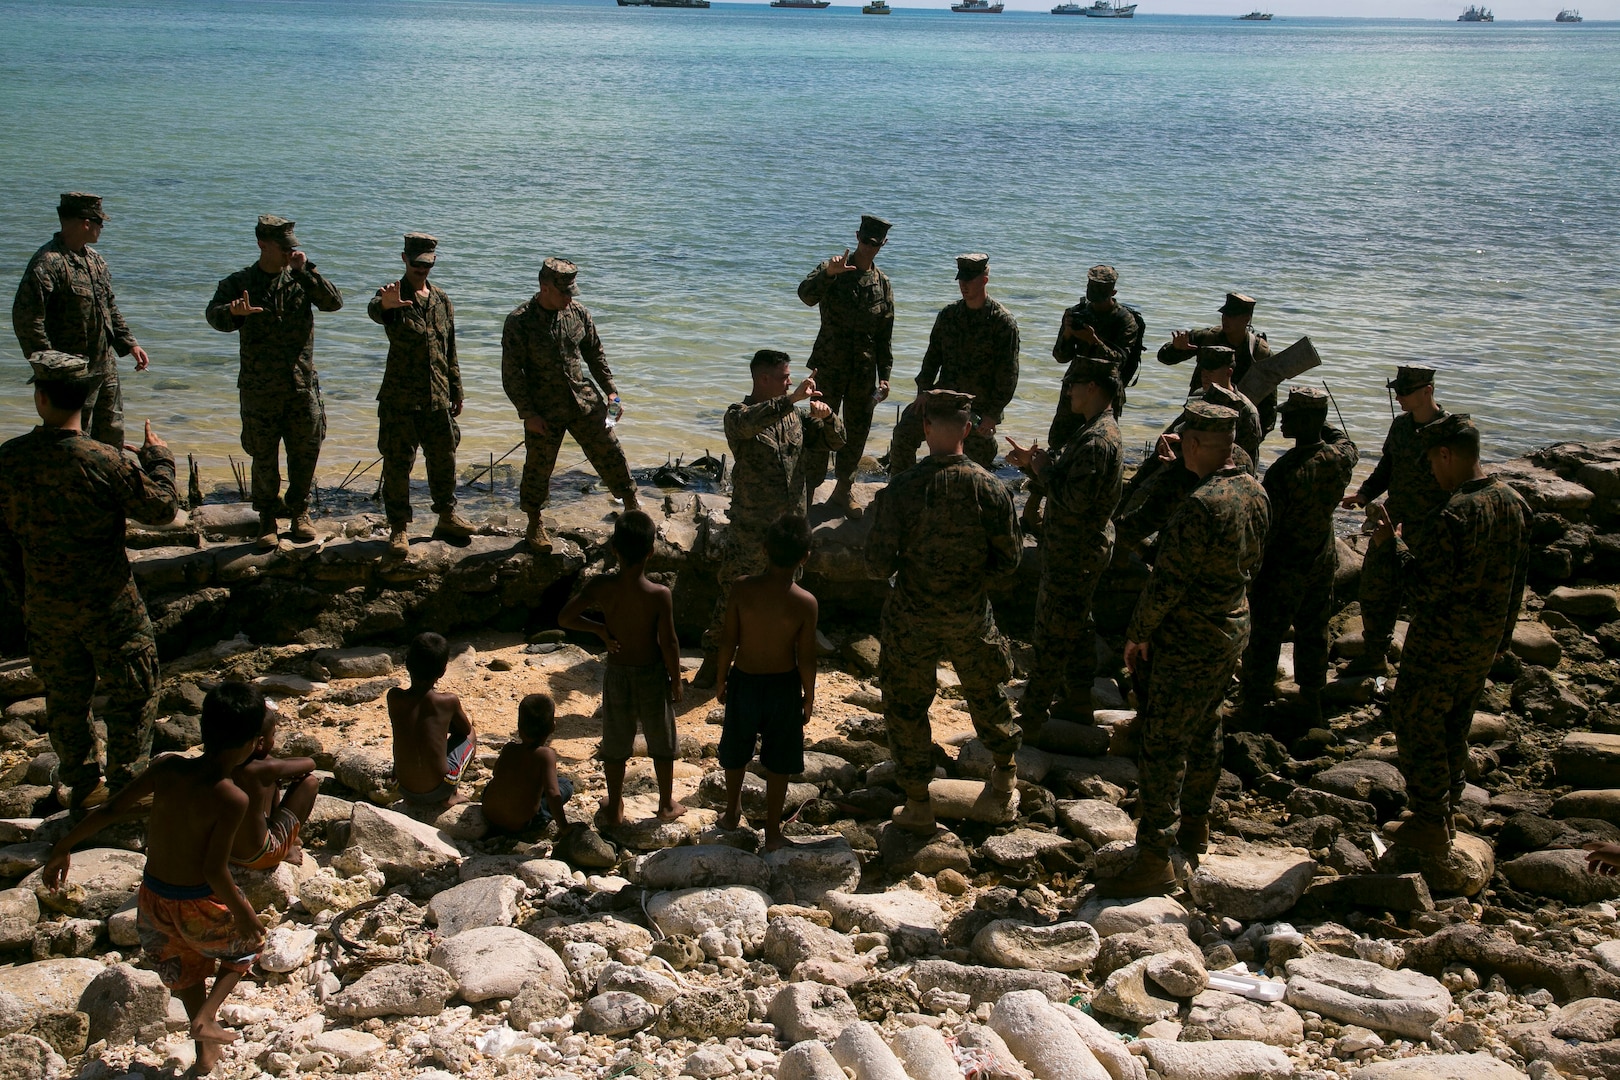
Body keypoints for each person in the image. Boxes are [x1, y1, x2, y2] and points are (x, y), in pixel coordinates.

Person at [42, 685, 267, 1076]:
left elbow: (112, 808)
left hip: (153, 899)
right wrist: (244, 913)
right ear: (252, 743)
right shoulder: (232, 797)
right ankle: (208, 1017)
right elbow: (215, 870)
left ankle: (205, 1055)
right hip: (196, 900)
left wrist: (64, 845)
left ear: (203, 728)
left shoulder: (168, 768)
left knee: (185, 970)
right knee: (250, 945)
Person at [1098, 402, 1270, 897]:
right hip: (1231, 625)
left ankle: (1154, 854)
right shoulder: (1254, 491)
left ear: (1193, 444)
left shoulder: (1201, 506)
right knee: (1206, 722)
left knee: (1164, 742)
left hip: (1188, 636)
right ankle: (1197, 823)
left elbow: (1167, 583)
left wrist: (1138, 633)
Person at [0, 351, 177, 812]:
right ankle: (127, 784)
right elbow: (162, 510)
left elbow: (3, 541)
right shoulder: (106, 461)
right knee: (135, 691)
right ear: (89, 396)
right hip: (110, 601)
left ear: (40, 398)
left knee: (64, 696)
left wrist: (24, 594)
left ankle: (83, 784)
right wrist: (159, 459)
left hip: (45, 602)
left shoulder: (9, 460)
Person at [866, 389, 1024, 835]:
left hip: (912, 613)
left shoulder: (904, 487)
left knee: (906, 704)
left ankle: (918, 802)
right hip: (969, 611)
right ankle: (1004, 775)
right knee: (987, 691)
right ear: (969, 430)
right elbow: (1009, 561)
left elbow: (877, 563)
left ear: (926, 429)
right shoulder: (991, 487)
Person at [1374, 414, 1530, 855]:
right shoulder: (1514, 502)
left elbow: (1425, 589)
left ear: (1446, 454)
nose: (1430, 471)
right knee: (1455, 723)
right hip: (1484, 638)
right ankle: (1447, 806)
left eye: (1431, 461)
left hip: (1442, 638)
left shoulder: (1457, 512)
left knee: (1416, 720)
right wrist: (1503, 637)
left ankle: (1429, 819)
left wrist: (1394, 545)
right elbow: (1518, 582)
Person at [692, 350, 845, 689]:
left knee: (786, 596)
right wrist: (792, 399)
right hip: (752, 528)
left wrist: (828, 415)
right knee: (732, 593)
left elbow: (837, 441)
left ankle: (773, 662)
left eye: (789, 377)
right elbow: (748, 425)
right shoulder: (738, 415)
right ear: (763, 379)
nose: (790, 381)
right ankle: (713, 661)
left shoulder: (796, 419)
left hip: (790, 528)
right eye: (784, 376)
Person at [206, 215, 344, 549]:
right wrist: (234, 314)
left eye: (292, 248)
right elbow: (214, 316)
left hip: (301, 385)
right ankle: (266, 517)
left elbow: (333, 303)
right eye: (284, 248)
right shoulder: (240, 282)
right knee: (263, 455)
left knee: (306, 451)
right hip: (260, 388)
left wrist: (306, 269)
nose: (289, 253)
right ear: (262, 244)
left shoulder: (301, 278)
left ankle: (299, 512)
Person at [1004, 357, 1124, 735]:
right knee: (1077, 625)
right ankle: (1077, 700)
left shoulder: (1096, 439)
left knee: (1051, 632)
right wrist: (1035, 466)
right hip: (1081, 549)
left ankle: (1034, 712)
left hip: (1074, 551)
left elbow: (1075, 499)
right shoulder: (1096, 430)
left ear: (1092, 388)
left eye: (1074, 384)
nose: (1068, 391)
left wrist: (1042, 471)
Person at [1238, 387, 1359, 741]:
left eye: (1290, 414)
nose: (1283, 419)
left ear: (1306, 421)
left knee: (1264, 637)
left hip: (1283, 566)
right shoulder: (1341, 457)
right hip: (1321, 560)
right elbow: (1343, 440)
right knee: (1313, 631)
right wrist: (1323, 420)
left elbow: (1267, 528)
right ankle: (1312, 702)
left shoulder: (1285, 471)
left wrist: (1250, 572)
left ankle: (1252, 708)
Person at [501, 257, 640, 553]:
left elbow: (596, 356)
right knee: (538, 468)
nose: (568, 298)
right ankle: (534, 522)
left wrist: (612, 393)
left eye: (571, 293)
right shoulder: (520, 322)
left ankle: (631, 506)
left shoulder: (577, 313)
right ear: (544, 287)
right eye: (563, 293)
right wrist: (527, 414)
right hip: (543, 410)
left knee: (611, 451)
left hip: (583, 401)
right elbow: (512, 375)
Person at [558, 510, 685, 826]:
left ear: (614, 548)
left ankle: (614, 806)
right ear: (651, 552)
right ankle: (666, 803)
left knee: (615, 742)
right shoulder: (659, 594)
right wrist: (676, 679)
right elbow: (668, 642)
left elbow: (565, 618)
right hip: (652, 674)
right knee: (661, 739)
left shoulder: (602, 586)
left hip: (617, 674)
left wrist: (600, 629)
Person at [12, 192, 151, 448]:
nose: (102, 228)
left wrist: (130, 343)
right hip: (70, 373)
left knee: (112, 433)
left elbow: (109, 306)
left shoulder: (96, 261)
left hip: (104, 364)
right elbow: (27, 318)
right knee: (73, 441)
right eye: (100, 222)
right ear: (86, 222)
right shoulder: (48, 263)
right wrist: (49, 367)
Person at [715, 513, 819, 850]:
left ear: (764, 549)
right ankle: (773, 831)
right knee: (779, 761)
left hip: (744, 680)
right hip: (783, 687)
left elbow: (728, 639)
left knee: (736, 751)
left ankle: (732, 812)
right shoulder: (805, 602)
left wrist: (720, 679)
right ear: (805, 557)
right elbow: (806, 656)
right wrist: (809, 696)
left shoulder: (742, 588)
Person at [1340, 364, 1450, 676]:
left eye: (1404, 391)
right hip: (1392, 521)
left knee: (1427, 598)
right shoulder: (1401, 427)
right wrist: (1363, 495)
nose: (1398, 396)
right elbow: (1386, 468)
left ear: (1427, 391)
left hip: (1432, 526)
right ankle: (1375, 654)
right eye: (1396, 391)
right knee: (1376, 588)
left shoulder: (1449, 431)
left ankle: (1427, 664)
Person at [367, 232, 473, 555]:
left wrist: (457, 388)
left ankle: (446, 515)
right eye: (415, 264)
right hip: (400, 400)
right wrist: (386, 306)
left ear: (433, 261)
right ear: (404, 259)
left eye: (426, 265)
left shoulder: (442, 301)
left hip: (437, 396)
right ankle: (398, 528)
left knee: (444, 457)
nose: (421, 270)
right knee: (398, 464)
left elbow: (449, 349)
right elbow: (375, 309)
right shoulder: (392, 295)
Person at [1024, 264, 1141, 534]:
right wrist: (1068, 333)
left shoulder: (1124, 320)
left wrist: (1094, 340)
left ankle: (1080, 506)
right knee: (1058, 445)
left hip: (1104, 393)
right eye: (1091, 290)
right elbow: (1060, 356)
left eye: (1100, 292)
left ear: (1112, 292)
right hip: (1075, 389)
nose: (1094, 297)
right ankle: (1038, 507)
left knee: (1094, 449)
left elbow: (1120, 360)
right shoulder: (1077, 313)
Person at [797, 214, 895, 519]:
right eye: (865, 241)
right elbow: (805, 295)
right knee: (817, 427)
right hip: (828, 366)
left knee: (856, 432)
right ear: (857, 236)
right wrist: (829, 273)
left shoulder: (882, 283)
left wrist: (885, 376)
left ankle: (842, 492)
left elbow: (885, 334)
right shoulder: (833, 268)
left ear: (883, 244)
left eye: (875, 244)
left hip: (863, 373)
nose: (869, 248)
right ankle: (806, 492)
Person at [887, 254, 1020, 475]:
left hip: (978, 408)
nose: (964, 285)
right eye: (961, 280)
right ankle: (902, 489)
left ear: (984, 279)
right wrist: (923, 392)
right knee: (905, 430)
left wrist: (992, 414)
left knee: (980, 459)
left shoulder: (1002, 323)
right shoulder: (949, 316)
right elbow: (931, 360)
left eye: (969, 280)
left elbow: (1008, 375)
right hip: (943, 400)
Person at [223, 683, 319, 871]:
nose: (273, 741)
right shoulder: (266, 767)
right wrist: (280, 768)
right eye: (272, 735)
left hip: (226, 850)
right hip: (259, 856)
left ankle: (279, 834)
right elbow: (310, 763)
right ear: (259, 743)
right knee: (310, 782)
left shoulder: (226, 761)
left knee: (274, 782)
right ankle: (286, 848)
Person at [1156, 291, 1277, 434]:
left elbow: (1269, 402)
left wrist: (1257, 434)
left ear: (1246, 319)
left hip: (1235, 422)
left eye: (1232, 316)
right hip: (1199, 411)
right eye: (1224, 315)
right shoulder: (1208, 338)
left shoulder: (1259, 352)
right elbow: (1164, 357)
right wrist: (1176, 349)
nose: (1225, 319)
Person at [387, 632, 477, 809]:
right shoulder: (447, 701)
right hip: (441, 788)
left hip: (402, 786)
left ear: (407, 664)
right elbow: (465, 730)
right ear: (443, 671)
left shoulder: (394, 697)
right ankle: (452, 795)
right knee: (471, 734)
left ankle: (412, 799)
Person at [481, 693, 576, 834]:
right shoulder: (545, 755)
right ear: (552, 727)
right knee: (565, 785)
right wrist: (564, 827)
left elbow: (496, 773)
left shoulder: (509, 749)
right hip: (523, 823)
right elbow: (552, 793)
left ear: (519, 727)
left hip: (490, 816)